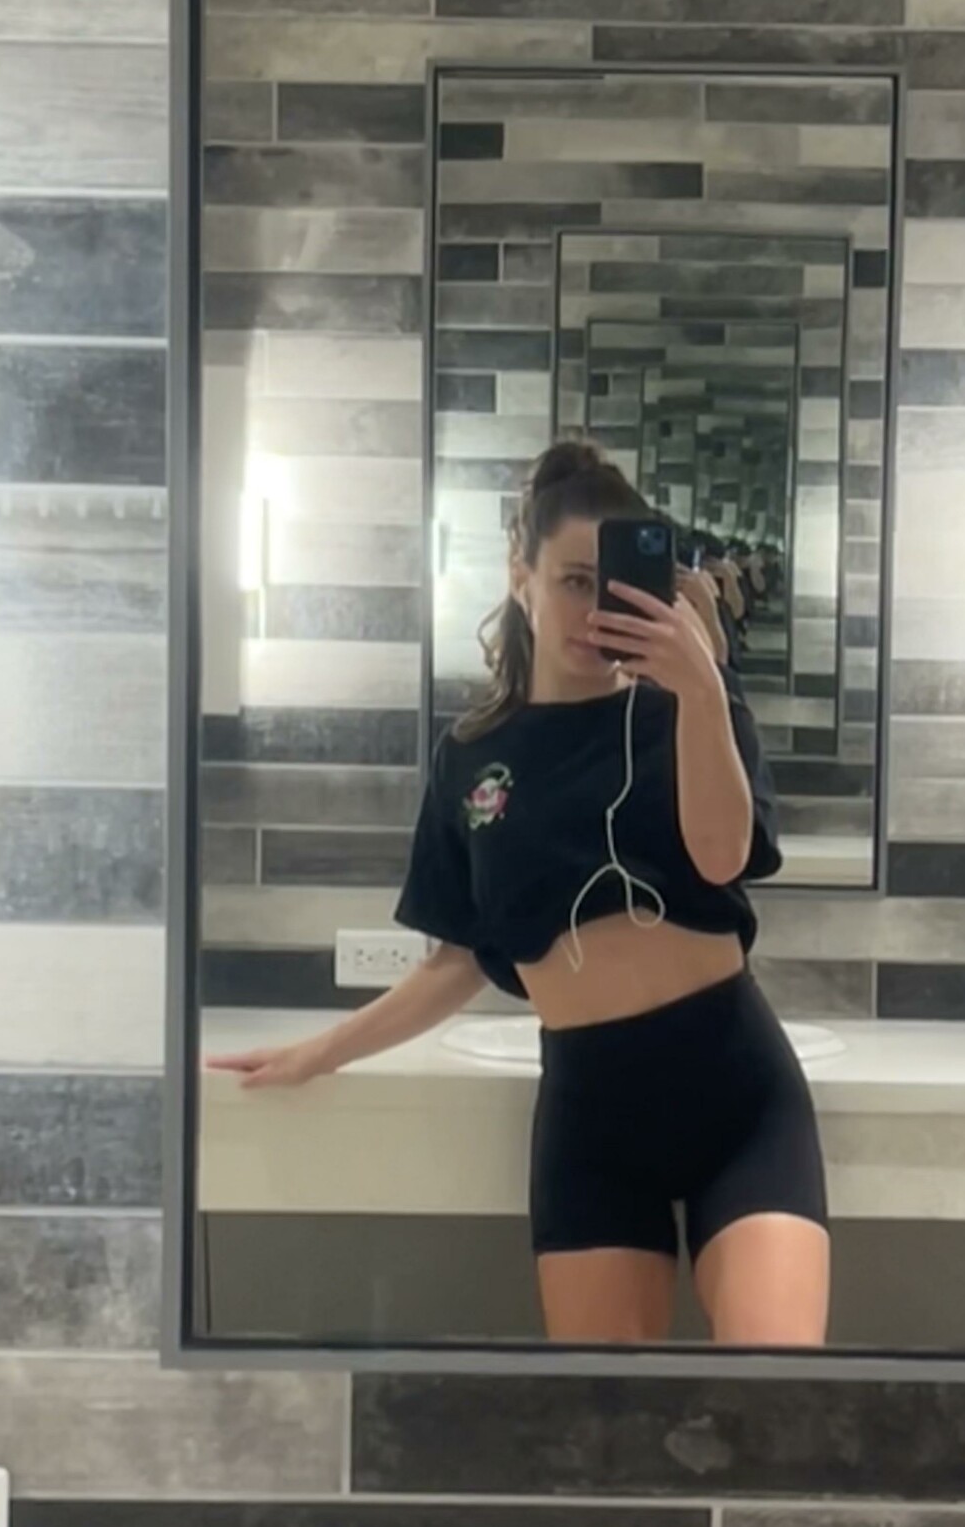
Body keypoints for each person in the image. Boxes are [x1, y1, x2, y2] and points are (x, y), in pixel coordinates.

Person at [209, 440, 831, 1348]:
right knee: (604, 1417)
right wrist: (321, 1052)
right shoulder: (472, 756)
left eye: (613, 586)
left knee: (779, 1382)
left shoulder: (686, 706)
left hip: (736, 1091)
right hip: (591, 1113)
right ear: (519, 572)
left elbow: (720, 855)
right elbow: (458, 959)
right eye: (573, 581)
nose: (594, 610)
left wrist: (704, 684)